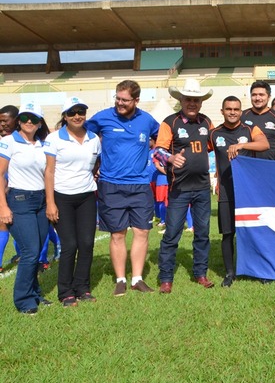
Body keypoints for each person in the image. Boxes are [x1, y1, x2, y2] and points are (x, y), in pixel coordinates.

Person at [85, 80, 160, 296]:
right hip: (111, 185)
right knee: (117, 234)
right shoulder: (102, 117)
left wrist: (158, 156)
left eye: (125, 100)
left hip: (140, 185)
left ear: (136, 100)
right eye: (117, 98)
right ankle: (120, 279)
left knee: (142, 231)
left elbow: (161, 138)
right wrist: (95, 163)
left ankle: (137, 278)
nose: (120, 103)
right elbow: (83, 137)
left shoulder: (147, 120)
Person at [153, 79, 216, 293]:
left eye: (196, 100)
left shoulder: (206, 122)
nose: (192, 103)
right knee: (172, 233)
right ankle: (166, 278)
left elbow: (214, 146)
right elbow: (158, 151)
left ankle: (200, 273)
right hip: (179, 188)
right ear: (181, 100)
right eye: (188, 99)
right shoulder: (169, 122)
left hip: (202, 188)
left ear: (201, 102)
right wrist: (170, 159)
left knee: (203, 233)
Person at [44, 97, 101, 307]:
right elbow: (49, 172)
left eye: (81, 111)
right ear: (65, 116)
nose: (77, 116)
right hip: (62, 197)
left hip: (86, 196)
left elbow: (96, 165)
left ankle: (82, 288)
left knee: (86, 244)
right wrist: (50, 202)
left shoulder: (94, 138)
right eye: (72, 112)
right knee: (70, 245)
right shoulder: (54, 139)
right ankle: (65, 291)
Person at [211, 96, 268, 287]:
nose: (232, 112)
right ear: (222, 111)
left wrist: (242, 145)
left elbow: (264, 144)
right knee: (228, 233)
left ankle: (258, 270)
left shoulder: (250, 129)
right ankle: (229, 273)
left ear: (241, 111)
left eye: (236, 109)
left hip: (248, 191)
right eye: (229, 109)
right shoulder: (214, 134)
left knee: (253, 231)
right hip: (226, 191)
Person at [0, 102, 51, 314]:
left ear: (40, 123)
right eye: (24, 118)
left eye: (34, 118)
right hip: (19, 199)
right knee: (30, 251)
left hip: (40, 200)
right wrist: (3, 206)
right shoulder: (8, 142)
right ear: (19, 121)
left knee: (36, 250)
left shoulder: (42, 144)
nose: (29, 122)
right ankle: (24, 301)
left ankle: (35, 293)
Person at [241, 80, 275, 160]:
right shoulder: (242, 116)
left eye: (261, 95)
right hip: (247, 167)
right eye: (254, 95)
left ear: (269, 97)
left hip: (270, 166)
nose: (257, 98)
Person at [0, 105, 19, 272]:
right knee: (3, 225)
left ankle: (43, 259)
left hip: (19, 190)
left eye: (5, 121)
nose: (2, 125)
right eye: (0, 122)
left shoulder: (20, 140)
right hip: (4, 187)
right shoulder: (3, 140)